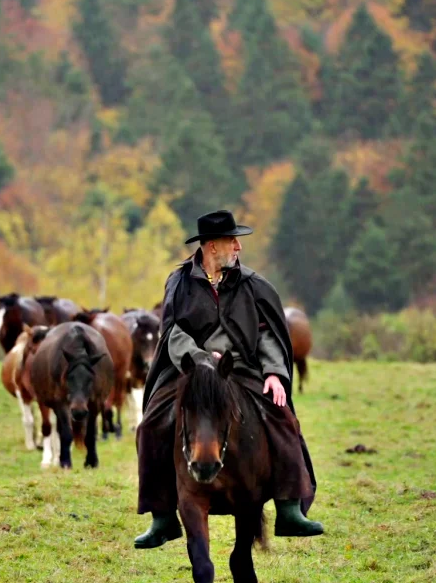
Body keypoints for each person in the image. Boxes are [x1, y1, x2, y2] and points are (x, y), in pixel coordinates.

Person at [134, 210, 323, 549]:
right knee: (150, 425)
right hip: (189, 371)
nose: (238, 246)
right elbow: (172, 332)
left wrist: (275, 374)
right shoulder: (179, 283)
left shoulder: (254, 285)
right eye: (230, 240)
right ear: (210, 246)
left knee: (282, 417)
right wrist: (201, 359)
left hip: (242, 370)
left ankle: (289, 507)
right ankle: (161, 516)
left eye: (237, 240)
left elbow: (267, 335)